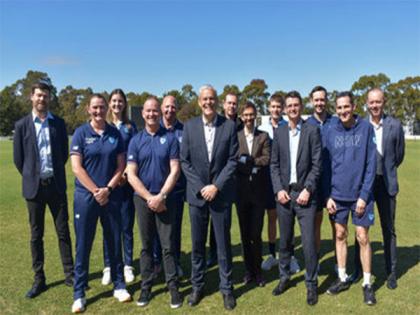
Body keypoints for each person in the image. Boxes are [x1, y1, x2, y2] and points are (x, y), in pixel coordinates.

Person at [70, 94, 131, 313]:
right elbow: (77, 168)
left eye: (102, 107)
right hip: (86, 197)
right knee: (83, 244)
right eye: (95, 107)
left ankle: (119, 285)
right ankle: (79, 293)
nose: (99, 111)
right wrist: (96, 190)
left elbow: (120, 166)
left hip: (111, 195)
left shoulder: (115, 134)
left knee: (114, 241)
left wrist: (108, 189)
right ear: (88, 109)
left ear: (107, 109)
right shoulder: (80, 133)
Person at [13, 81, 74, 299]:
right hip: (34, 189)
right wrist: (32, 176)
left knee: (63, 232)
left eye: (46, 96)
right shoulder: (22, 125)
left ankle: (70, 274)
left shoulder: (58, 123)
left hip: (56, 186)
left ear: (49, 98)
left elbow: (63, 155)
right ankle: (39, 279)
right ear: (31, 97)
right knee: (36, 235)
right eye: (39, 95)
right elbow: (19, 160)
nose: (42, 99)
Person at [181, 85, 238, 310]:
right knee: (197, 245)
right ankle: (198, 286)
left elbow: (232, 160)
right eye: (205, 99)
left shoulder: (229, 126)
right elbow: (184, 161)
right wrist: (202, 187)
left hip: (220, 196)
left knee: (223, 245)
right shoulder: (189, 127)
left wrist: (215, 186)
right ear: (199, 101)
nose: (208, 102)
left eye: (212, 99)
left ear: (217, 101)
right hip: (197, 197)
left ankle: (227, 289)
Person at [126, 96, 182, 309]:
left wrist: (161, 196)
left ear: (159, 113)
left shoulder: (169, 139)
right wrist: (150, 198)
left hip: (165, 199)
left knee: (168, 247)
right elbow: (131, 174)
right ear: (143, 113)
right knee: (147, 246)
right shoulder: (135, 140)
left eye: (155, 111)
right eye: (148, 111)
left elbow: (175, 170)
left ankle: (173, 288)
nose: (151, 114)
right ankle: (146, 288)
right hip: (143, 200)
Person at [325, 91, 377, 306]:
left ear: (354, 107)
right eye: (339, 108)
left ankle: (367, 283)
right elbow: (325, 166)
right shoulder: (330, 130)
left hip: (360, 196)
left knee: (362, 237)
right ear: (336, 109)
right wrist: (328, 195)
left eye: (346, 107)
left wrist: (364, 196)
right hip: (337, 196)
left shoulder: (366, 128)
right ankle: (343, 277)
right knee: (340, 235)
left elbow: (371, 165)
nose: (343, 111)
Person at [270, 91, 321, 306]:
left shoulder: (312, 130)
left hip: (305, 196)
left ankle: (311, 283)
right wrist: (278, 189)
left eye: (296, 105)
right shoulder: (279, 132)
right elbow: (273, 165)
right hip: (284, 195)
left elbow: (317, 165)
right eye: (289, 105)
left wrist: (308, 189)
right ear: (284, 109)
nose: (292, 108)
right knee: (285, 241)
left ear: (301, 106)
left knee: (308, 243)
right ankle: (284, 278)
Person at [351, 88, 405, 289]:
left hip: (386, 185)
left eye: (378, 102)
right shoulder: (360, 125)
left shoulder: (395, 125)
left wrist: (386, 170)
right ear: (367, 103)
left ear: (384, 102)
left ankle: (391, 272)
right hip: (365, 185)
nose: (375, 106)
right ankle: (357, 270)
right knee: (360, 229)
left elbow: (398, 156)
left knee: (388, 229)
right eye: (371, 102)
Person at [258, 94, 301, 274]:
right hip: (268, 182)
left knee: (287, 221)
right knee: (271, 218)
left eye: (278, 107)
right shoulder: (261, 127)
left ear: (282, 109)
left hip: (285, 183)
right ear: (269, 108)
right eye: (272, 107)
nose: (275, 110)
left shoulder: (287, 125)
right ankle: (271, 255)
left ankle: (290, 256)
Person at [101, 89, 138, 286]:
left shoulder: (131, 127)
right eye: (114, 101)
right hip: (108, 186)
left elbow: (135, 152)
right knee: (108, 227)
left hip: (126, 185)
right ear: (109, 103)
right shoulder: (104, 126)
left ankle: (128, 265)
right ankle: (109, 266)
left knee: (126, 226)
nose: (117, 105)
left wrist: (126, 174)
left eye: (120, 101)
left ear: (124, 104)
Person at [207, 92, 243, 268]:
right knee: (218, 221)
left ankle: (239, 252)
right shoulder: (218, 123)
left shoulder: (242, 124)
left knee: (232, 221)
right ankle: (214, 254)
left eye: (235, 104)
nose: (232, 106)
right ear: (224, 104)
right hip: (220, 182)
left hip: (240, 179)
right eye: (229, 103)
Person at [152, 95, 186, 278]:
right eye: (166, 107)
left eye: (173, 107)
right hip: (155, 190)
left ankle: (176, 262)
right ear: (161, 108)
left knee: (175, 230)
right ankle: (157, 263)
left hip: (177, 190)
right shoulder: (154, 129)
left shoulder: (184, 130)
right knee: (156, 231)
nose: (169, 110)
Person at [236, 101, 269, 287]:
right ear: (241, 117)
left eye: (251, 115)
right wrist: (244, 163)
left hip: (258, 193)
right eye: (245, 115)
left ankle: (258, 271)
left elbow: (267, 158)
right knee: (244, 235)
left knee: (256, 234)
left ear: (255, 116)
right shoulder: (236, 136)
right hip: (241, 193)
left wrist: (250, 161)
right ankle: (248, 270)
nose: (248, 118)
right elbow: (233, 158)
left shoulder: (263, 136)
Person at [305, 86, 336, 266]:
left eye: (322, 99)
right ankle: (315, 256)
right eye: (316, 100)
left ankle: (336, 259)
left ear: (326, 100)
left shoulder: (336, 122)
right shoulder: (307, 124)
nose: (319, 103)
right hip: (314, 182)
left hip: (333, 182)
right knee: (316, 222)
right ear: (311, 101)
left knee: (336, 224)